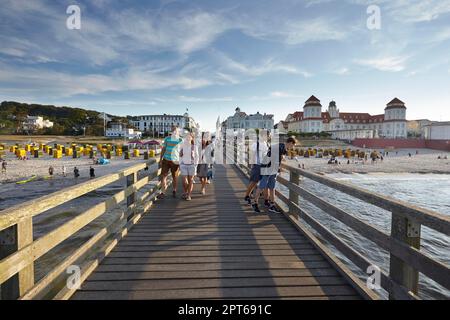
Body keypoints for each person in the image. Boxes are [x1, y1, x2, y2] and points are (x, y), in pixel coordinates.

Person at [252, 136, 297, 214]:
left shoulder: (283, 148)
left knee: (272, 188)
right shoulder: (279, 147)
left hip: (272, 169)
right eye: (293, 145)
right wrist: (279, 169)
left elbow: (279, 158)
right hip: (267, 168)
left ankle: (272, 205)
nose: (292, 147)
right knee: (261, 187)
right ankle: (255, 203)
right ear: (290, 143)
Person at [158, 126, 183, 199]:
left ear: (178, 131)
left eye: (176, 130)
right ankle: (163, 192)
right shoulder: (167, 139)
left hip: (175, 161)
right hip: (166, 160)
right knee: (163, 176)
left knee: (174, 177)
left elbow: (182, 152)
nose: (174, 131)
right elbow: (163, 149)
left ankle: (174, 190)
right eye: (173, 130)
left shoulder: (180, 140)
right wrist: (160, 159)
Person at [244, 133, 268, 205]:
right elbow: (251, 152)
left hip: (264, 165)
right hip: (257, 165)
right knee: (254, 182)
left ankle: (266, 200)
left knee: (264, 183)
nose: (266, 137)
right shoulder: (256, 144)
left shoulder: (265, 143)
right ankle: (247, 195)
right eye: (265, 135)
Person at [180, 132, 198, 201]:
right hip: (184, 165)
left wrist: (195, 164)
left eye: (189, 136)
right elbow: (180, 155)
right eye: (186, 137)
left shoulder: (194, 146)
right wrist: (180, 163)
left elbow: (197, 156)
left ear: (192, 138)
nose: (187, 138)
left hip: (192, 165)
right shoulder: (182, 146)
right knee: (184, 181)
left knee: (190, 180)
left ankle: (188, 195)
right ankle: (186, 192)